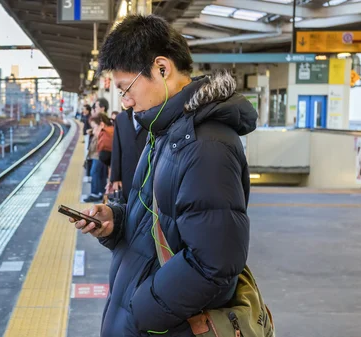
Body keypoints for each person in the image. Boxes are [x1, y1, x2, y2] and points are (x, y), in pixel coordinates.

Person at [72, 15, 259, 337]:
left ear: (161, 68)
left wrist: (142, 308)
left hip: (164, 324)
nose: (126, 102)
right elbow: (158, 217)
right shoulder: (166, 133)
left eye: (126, 88)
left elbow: (216, 263)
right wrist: (116, 220)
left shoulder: (205, 146)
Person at [108, 107, 148, 202]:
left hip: (149, 174)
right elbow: (116, 149)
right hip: (127, 174)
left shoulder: (154, 116)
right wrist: (115, 178)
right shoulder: (121, 118)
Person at [84, 113, 114, 203]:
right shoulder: (111, 132)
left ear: (101, 125)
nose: (93, 131)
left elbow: (105, 155)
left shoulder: (105, 135)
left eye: (94, 127)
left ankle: (97, 193)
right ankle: (100, 193)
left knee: (95, 172)